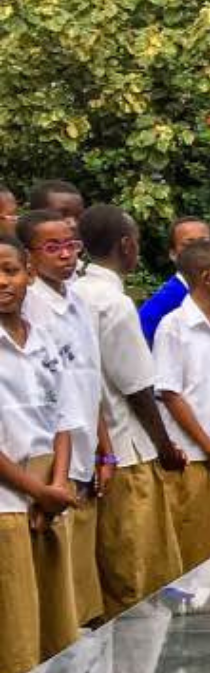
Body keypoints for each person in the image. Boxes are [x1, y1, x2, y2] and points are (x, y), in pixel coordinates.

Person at [70, 205, 184, 619]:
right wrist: (165, 445)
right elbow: (136, 385)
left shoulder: (75, 292)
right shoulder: (112, 302)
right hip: (127, 447)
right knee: (135, 568)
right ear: (126, 244)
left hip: (96, 449)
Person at [18, 209, 107, 628]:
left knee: (80, 586)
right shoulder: (29, 307)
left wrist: (105, 449)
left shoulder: (77, 300)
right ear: (29, 258)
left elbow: (89, 381)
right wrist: (54, 478)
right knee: (52, 590)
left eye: (71, 245)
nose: (66, 255)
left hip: (83, 453)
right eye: (52, 247)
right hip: (50, 465)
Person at [0, 236, 83, 672]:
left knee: (56, 625)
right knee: (15, 628)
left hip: (47, 498)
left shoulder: (46, 341)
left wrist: (57, 484)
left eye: (10, 270)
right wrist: (36, 490)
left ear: (29, 273)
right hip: (9, 502)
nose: (3, 281)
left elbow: (63, 419)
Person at [152, 241, 210, 574]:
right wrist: (208, 447)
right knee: (197, 550)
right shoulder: (174, 327)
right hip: (196, 457)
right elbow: (171, 393)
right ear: (206, 277)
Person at [136, 218, 210, 345]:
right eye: (189, 245)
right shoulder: (159, 308)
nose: (200, 251)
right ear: (173, 254)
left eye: (205, 243)